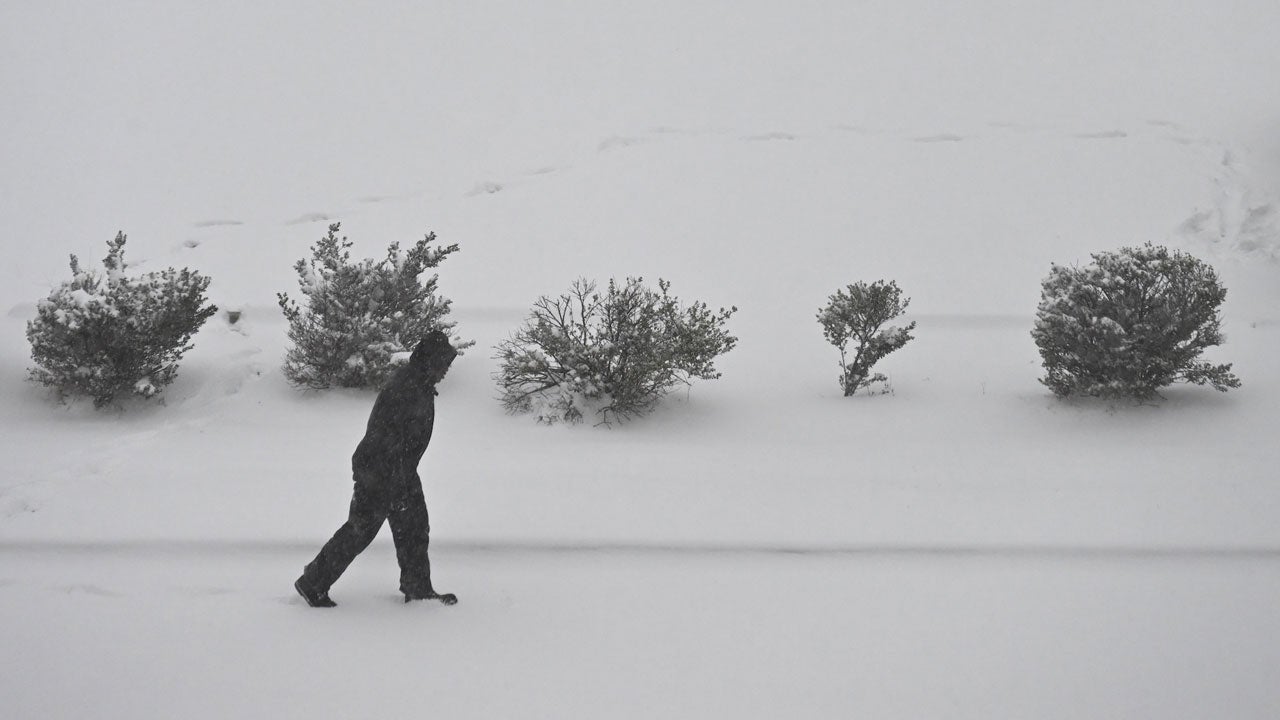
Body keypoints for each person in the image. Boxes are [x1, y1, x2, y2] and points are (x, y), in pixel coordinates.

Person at [295, 330, 459, 608]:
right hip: (380, 471)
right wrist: (395, 487)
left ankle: (417, 588)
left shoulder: (420, 383)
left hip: (400, 470)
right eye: (443, 364)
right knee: (359, 531)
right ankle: (312, 583)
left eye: (448, 365)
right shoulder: (406, 388)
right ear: (430, 360)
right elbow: (386, 441)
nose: (445, 371)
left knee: (415, 528)